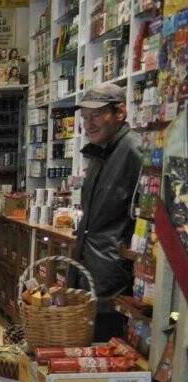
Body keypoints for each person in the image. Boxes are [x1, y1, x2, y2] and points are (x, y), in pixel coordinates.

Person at [73, 83, 142, 341]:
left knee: (106, 343)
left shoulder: (134, 151)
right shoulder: (101, 153)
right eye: (85, 118)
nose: (89, 124)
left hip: (113, 275)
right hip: (91, 266)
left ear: (120, 113)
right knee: (89, 344)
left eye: (97, 115)